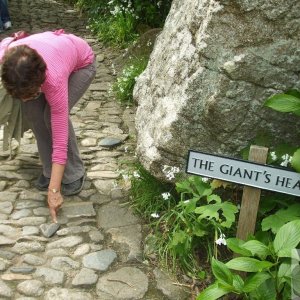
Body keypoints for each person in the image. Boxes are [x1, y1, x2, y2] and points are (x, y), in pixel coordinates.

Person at [0, 29, 96, 223]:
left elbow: (60, 139)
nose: (26, 99)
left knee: (50, 118)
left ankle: (74, 172)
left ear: (40, 83)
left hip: (82, 64)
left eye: (32, 94)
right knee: (33, 113)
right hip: (43, 63)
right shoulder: (5, 56)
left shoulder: (54, 78)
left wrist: (54, 191)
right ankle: (48, 170)